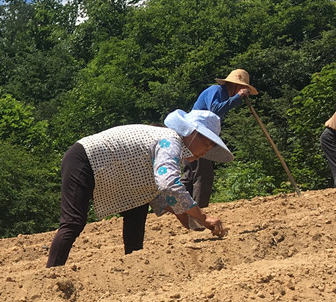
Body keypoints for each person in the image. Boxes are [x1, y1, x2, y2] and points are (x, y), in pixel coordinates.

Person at [45, 109, 231, 267]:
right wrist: (203, 217)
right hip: (83, 160)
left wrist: (186, 216)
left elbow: (156, 193)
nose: (205, 151)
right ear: (192, 133)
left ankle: (133, 266)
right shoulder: (170, 140)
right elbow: (169, 183)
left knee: (138, 205)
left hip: (113, 173)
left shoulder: (169, 142)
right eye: (206, 144)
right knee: (73, 222)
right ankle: (51, 273)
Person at [182, 68, 257, 208]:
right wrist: (238, 98)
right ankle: (198, 210)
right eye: (243, 88)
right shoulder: (216, 90)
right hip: (197, 135)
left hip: (193, 134)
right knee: (203, 174)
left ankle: (181, 209)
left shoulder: (224, 95)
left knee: (190, 174)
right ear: (235, 85)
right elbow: (215, 109)